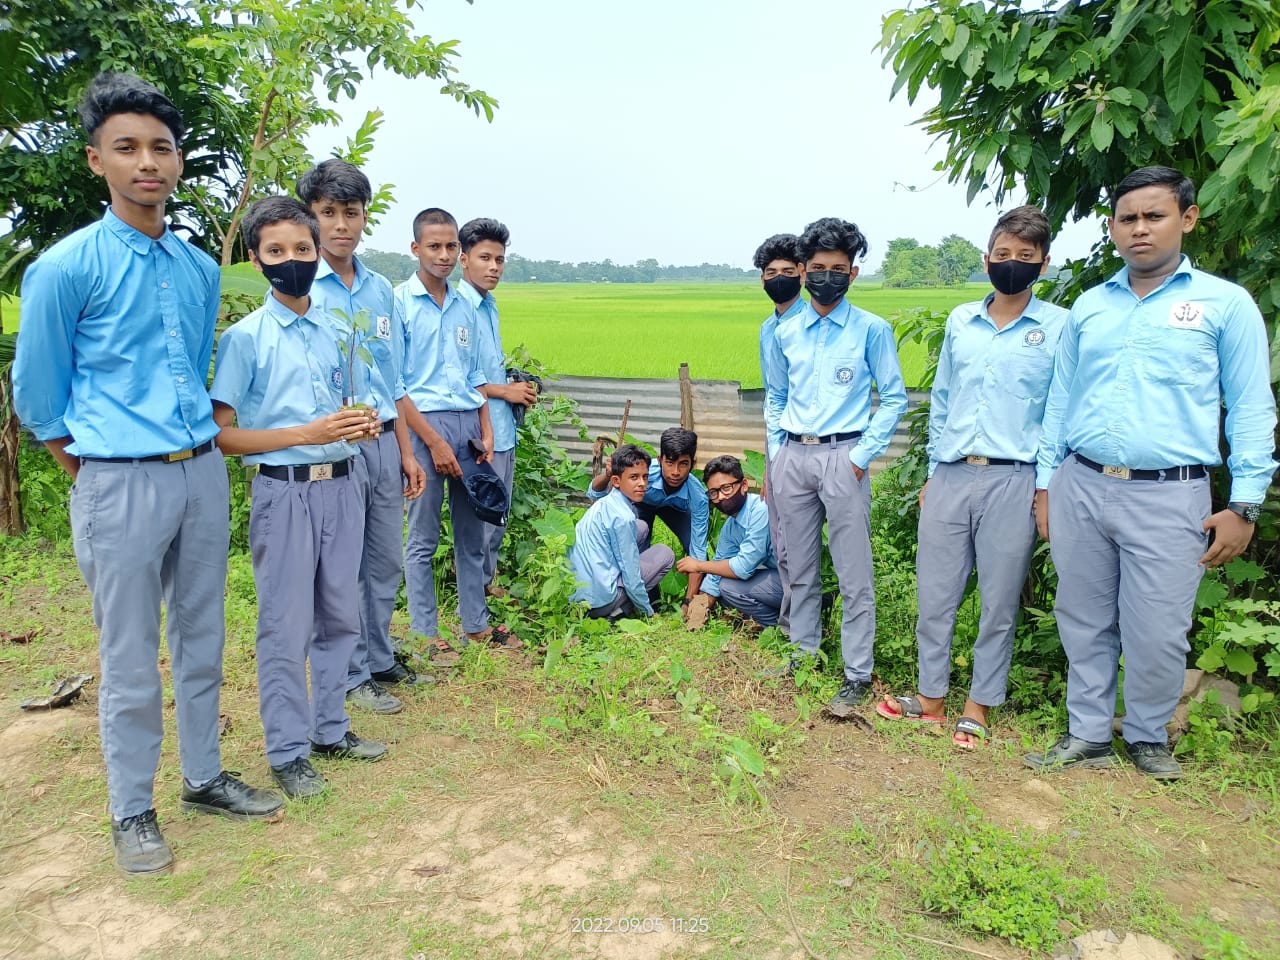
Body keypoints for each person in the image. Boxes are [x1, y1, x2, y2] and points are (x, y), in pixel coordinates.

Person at [12, 72, 283, 874]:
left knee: (202, 636)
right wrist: (90, 464)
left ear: (177, 161)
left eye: (161, 148)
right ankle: (133, 809)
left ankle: (203, 777)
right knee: (129, 655)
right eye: (126, 148)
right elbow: (38, 392)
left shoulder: (198, 269)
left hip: (200, 471)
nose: (147, 163)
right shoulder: (67, 268)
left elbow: (191, 368)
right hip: (119, 480)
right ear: (97, 160)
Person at [1025, 166, 1277, 779]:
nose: (1139, 230)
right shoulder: (1090, 306)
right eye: (1128, 218)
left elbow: (1250, 405)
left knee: (1159, 628)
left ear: (1186, 219)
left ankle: (1146, 735)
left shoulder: (1224, 305)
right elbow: (1061, 399)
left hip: (1171, 495)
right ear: (1113, 227)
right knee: (1082, 618)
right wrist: (1044, 484)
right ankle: (1086, 734)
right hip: (1081, 484)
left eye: (1154, 216)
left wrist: (1244, 504)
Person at [211, 196, 389, 801]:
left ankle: (330, 729)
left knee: (342, 617)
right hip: (283, 495)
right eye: (277, 251)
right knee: (285, 626)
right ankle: (286, 751)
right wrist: (305, 434)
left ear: (318, 252)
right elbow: (223, 435)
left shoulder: (338, 330)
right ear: (258, 262)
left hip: (344, 486)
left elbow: (347, 407)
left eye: (302, 249)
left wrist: (357, 427)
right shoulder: (245, 339)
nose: (293, 260)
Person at [876, 206, 1068, 748]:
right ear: (987, 260)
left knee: (999, 600)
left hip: (1015, 478)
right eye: (1003, 255)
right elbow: (943, 400)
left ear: (1043, 263)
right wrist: (935, 470)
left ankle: (979, 705)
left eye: (1024, 257)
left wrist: (1045, 486)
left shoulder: (1058, 327)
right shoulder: (962, 320)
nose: (1012, 264)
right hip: (953, 475)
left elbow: (1057, 413)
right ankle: (930, 697)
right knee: (936, 592)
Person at [297, 159, 430, 718]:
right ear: (312, 217)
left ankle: (378, 655)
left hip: (382, 442)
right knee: (344, 565)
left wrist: (405, 451)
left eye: (351, 213)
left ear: (364, 216)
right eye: (328, 213)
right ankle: (351, 674)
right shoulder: (302, 287)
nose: (341, 225)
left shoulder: (380, 291)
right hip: (335, 447)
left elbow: (391, 378)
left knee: (385, 560)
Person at [764, 217, 908, 714]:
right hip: (793, 455)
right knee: (799, 567)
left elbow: (892, 398)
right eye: (819, 267)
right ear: (803, 271)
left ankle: (856, 673)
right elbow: (777, 394)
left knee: (853, 573)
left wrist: (861, 456)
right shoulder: (786, 331)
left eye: (838, 269)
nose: (827, 277)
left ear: (854, 273)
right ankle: (802, 654)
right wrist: (777, 450)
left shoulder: (872, 329)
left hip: (843, 456)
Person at [395, 208, 510, 659]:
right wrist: (433, 442)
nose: (444, 256)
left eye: (450, 248)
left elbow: (476, 374)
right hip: (423, 426)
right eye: (434, 247)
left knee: (471, 532)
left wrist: (485, 431)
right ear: (416, 249)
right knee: (422, 536)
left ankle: (475, 624)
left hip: (468, 427)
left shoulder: (466, 306)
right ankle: (425, 632)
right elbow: (397, 385)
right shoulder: (398, 303)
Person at [457, 217, 538, 594]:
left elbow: (488, 366)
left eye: (500, 259)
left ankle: (485, 585)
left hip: (503, 430)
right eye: (485, 257)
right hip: (479, 431)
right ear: (464, 259)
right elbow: (457, 378)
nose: (493, 267)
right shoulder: (459, 309)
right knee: (481, 515)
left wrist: (515, 388)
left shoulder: (489, 306)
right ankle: (473, 593)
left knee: (497, 516)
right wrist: (506, 392)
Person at [587, 426, 709, 602]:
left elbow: (698, 551)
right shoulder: (643, 474)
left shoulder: (698, 496)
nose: (676, 472)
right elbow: (594, 493)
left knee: (694, 545)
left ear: (692, 463)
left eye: (683, 464)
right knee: (636, 538)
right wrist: (607, 476)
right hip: (642, 504)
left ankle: (698, 600)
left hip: (673, 509)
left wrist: (689, 601)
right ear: (660, 460)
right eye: (669, 463)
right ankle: (645, 598)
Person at [754, 233, 805, 636]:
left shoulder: (812, 323)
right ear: (762, 280)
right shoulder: (767, 329)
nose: (780, 278)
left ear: (802, 275)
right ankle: (792, 627)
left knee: (801, 546)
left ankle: (801, 628)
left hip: (811, 448)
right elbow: (774, 395)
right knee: (783, 542)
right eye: (772, 273)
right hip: (780, 447)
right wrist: (772, 458)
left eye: (788, 271)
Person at [570, 445, 675, 619]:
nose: (642, 484)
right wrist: (648, 613)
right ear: (616, 481)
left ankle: (617, 602)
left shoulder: (604, 502)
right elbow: (632, 580)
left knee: (641, 527)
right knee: (665, 553)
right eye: (634, 477)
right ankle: (618, 611)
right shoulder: (623, 518)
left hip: (576, 595)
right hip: (598, 604)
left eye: (645, 477)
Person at [678, 455, 782, 628]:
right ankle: (769, 624)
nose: (720, 497)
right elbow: (716, 572)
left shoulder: (761, 509)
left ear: (744, 485)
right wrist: (697, 611)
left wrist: (698, 565)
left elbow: (743, 568)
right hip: (778, 579)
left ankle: (779, 627)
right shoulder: (730, 526)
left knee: (729, 588)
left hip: (799, 581)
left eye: (726, 488)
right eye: (714, 492)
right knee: (723, 593)